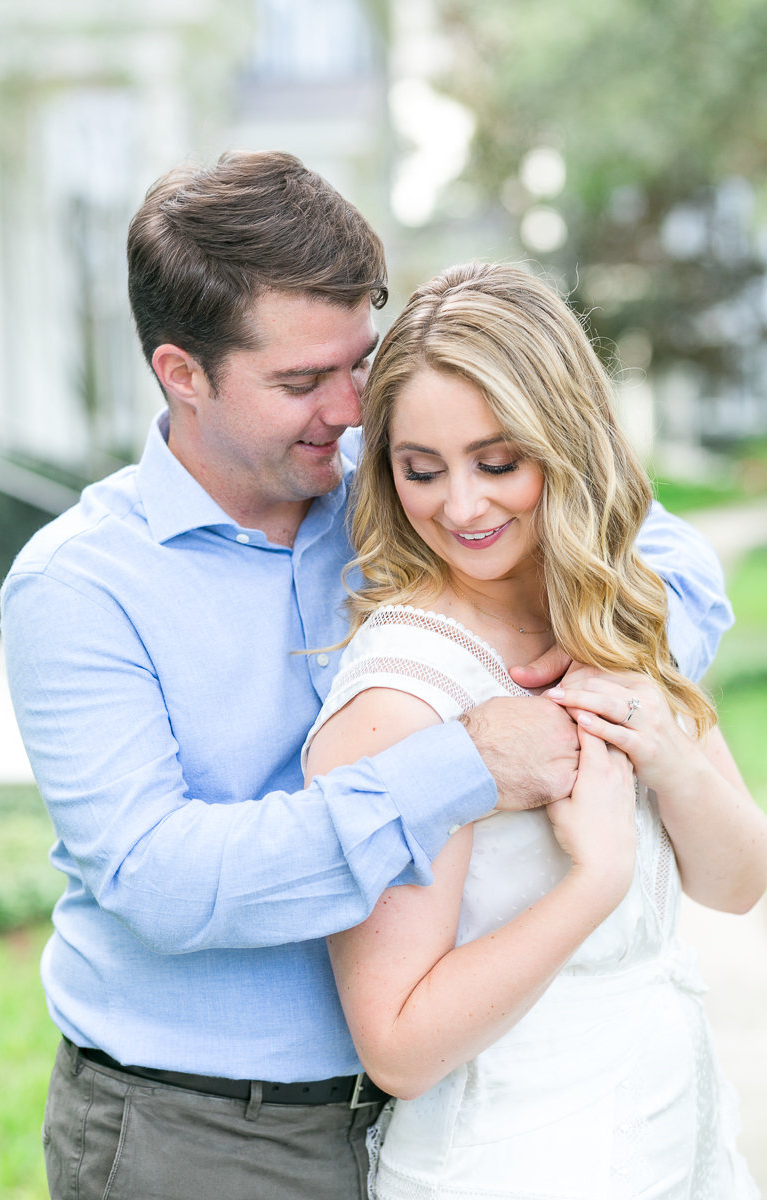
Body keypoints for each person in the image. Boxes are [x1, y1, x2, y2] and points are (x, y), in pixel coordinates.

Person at [1, 152, 732, 1200]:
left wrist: (596, 692)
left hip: (439, 1106)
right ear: (182, 373)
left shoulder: (410, 491)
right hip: (202, 1133)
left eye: (359, 362)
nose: (349, 410)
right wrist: (462, 766)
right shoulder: (78, 588)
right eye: (300, 382)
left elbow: (662, 558)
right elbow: (161, 879)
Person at [303, 262, 767, 1200]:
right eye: (420, 470)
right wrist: (595, 882)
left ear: (569, 440)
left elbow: (738, 880)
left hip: (675, 1134)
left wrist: (665, 745)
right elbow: (396, 1043)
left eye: (499, 462)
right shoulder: (402, 697)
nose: (462, 507)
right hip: (513, 1163)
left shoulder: (616, 608)